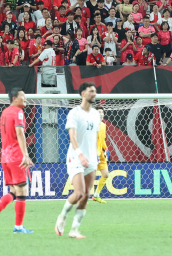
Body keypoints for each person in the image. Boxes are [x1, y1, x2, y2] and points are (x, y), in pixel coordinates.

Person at [0, 88, 34, 234]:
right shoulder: (18, 112)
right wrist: (25, 154)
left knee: (14, 191)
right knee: (22, 190)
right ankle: (18, 227)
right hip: (16, 156)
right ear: (14, 98)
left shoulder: (5, 112)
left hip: (5, 157)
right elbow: (19, 132)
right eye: (23, 96)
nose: (25, 99)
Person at [56, 82, 100, 239]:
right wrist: (80, 154)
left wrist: (96, 157)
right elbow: (72, 137)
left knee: (87, 195)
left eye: (95, 91)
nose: (94, 94)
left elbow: (94, 138)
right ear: (83, 94)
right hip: (75, 157)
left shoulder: (96, 114)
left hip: (91, 159)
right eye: (91, 91)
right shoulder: (74, 113)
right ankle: (62, 216)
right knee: (79, 192)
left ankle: (74, 230)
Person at [92, 107, 109, 204]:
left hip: (100, 154)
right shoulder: (92, 126)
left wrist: (106, 149)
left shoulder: (103, 125)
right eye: (98, 112)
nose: (101, 114)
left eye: (102, 112)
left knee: (105, 174)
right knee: (90, 176)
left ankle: (96, 195)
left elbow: (102, 140)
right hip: (93, 154)